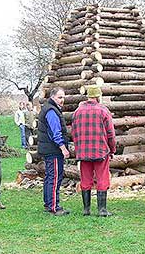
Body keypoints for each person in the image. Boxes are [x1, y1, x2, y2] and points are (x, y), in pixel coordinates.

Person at [71, 86, 116, 217]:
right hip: (100, 151)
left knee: (85, 180)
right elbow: (110, 134)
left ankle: (86, 209)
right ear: (98, 96)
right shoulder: (103, 110)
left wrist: (79, 149)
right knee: (102, 179)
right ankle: (102, 210)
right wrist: (112, 149)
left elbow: (73, 133)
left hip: (83, 153)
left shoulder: (78, 111)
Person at [37, 87, 70, 216]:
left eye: (63, 97)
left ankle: (48, 203)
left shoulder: (49, 108)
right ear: (53, 97)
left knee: (49, 177)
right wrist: (63, 148)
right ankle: (54, 207)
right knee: (55, 177)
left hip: (48, 149)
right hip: (53, 149)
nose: (62, 100)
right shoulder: (51, 111)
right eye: (60, 97)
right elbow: (55, 132)